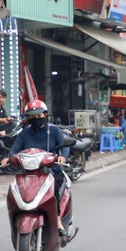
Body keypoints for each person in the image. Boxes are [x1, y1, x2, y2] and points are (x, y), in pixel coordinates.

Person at [9, 100, 76, 236]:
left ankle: (57, 219)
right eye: (32, 116)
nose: (36, 119)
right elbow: (14, 151)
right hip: (29, 173)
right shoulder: (24, 134)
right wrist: (8, 159)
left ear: (45, 114)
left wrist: (63, 157)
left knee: (54, 188)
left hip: (51, 171)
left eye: (39, 116)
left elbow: (64, 146)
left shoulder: (54, 131)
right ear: (27, 118)